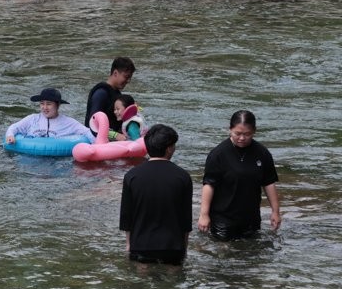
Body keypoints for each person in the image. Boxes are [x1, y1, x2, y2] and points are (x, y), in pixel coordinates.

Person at [198, 110, 281, 240]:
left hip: (251, 218)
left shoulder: (262, 153)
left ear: (254, 131)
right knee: (223, 255)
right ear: (230, 129)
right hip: (223, 219)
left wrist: (275, 212)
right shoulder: (218, 154)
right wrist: (204, 214)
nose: (242, 138)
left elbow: (269, 183)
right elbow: (209, 185)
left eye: (247, 134)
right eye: (237, 133)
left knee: (250, 255)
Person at [119, 124, 193, 265]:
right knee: (173, 282)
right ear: (169, 148)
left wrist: (129, 245)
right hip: (173, 246)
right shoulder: (183, 177)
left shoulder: (132, 176)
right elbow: (186, 219)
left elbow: (126, 216)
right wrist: (184, 247)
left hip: (141, 244)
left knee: (142, 283)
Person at [5, 88, 94, 144]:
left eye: (49, 104)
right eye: (42, 104)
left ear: (58, 105)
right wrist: (10, 135)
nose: (44, 107)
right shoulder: (32, 119)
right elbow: (14, 127)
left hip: (57, 162)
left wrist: (99, 145)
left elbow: (87, 132)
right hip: (31, 159)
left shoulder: (68, 123)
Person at [85, 57, 136, 135]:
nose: (128, 81)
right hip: (98, 141)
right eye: (126, 77)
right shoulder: (100, 93)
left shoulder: (116, 93)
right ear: (115, 73)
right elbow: (93, 123)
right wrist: (115, 136)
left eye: (130, 78)